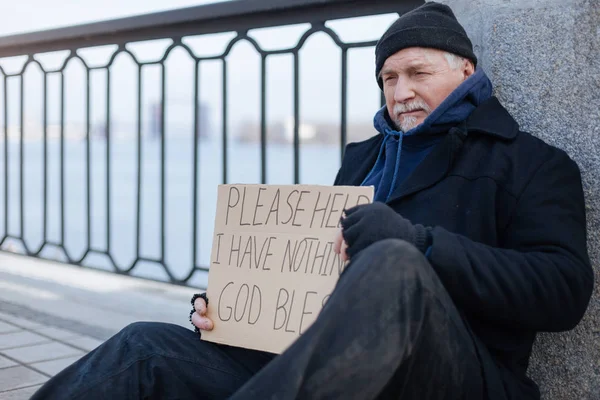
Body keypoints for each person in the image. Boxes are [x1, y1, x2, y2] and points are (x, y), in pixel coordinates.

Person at [31, 2, 593, 399]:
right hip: (326, 364)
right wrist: (237, 306)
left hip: (453, 372)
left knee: (394, 263)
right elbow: (311, 273)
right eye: (388, 78)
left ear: (465, 70)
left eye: (418, 72)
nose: (401, 92)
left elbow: (564, 290)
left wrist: (421, 246)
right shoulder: (362, 159)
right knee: (146, 346)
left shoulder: (529, 162)